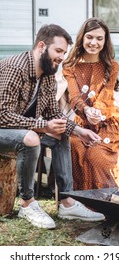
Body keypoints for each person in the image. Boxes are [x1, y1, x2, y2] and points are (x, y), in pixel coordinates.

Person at [0, 24, 105, 230]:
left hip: (21, 128)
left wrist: (79, 131)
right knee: (31, 137)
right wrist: (43, 125)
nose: (62, 57)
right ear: (41, 46)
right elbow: (2, 115)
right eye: (58, 51)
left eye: (64, 53)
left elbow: (53, 115)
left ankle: (66, 202)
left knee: (59, 134)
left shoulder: (48, 74)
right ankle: (27, 204)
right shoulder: (15, 68)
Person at [62, 17, 119, 191]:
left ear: (105, 41)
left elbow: (106, 95)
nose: (94, 42)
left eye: (100, 38)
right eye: (90, 37)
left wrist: (96, 112)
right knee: (75, 146)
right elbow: (75, 97)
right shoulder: (70, 66)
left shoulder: (111, 66)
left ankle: (106, 196)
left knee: (96, 154)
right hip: (82, 122)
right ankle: (81, 197)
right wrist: (86, 111)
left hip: (107, 122)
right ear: (82, 38)